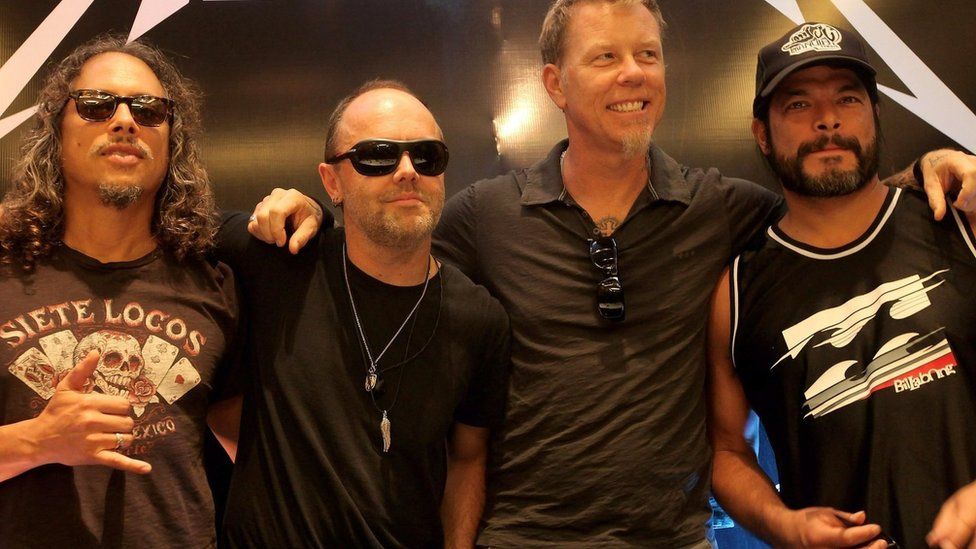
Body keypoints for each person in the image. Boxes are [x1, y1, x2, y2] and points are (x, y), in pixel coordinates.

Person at [247, 2, 976, 546]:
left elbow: (836, 201)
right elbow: (389, 239)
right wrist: (308, 209)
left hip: (674, 539)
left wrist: (925, 172)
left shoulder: (722, 208)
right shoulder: (484, 216)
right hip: (523, 539)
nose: (634, 73)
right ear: (555, 84)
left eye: (647, 54)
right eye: (605, 57)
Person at [707, 22, 976, 549]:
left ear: (876, 113)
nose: (827, 119)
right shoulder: (735, 294)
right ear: (762, 133)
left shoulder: (961, 222)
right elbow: (726, 451)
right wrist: (786, 527)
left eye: (847, 99)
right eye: (798, 104)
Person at [216, 80, 510, 548]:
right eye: (378, 156)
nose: (407, 171)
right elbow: (170, 225)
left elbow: (468, 457)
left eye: (427, 156)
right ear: (332, 181)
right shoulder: (278, 261)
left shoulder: (478, 319)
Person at [0, 36, 240, 548]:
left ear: (172, 142)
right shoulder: (3, 274)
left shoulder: (215, 283)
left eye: (149, 110)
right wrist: (35, 440)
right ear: (55, 130)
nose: (125, 120)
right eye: (96, 105)